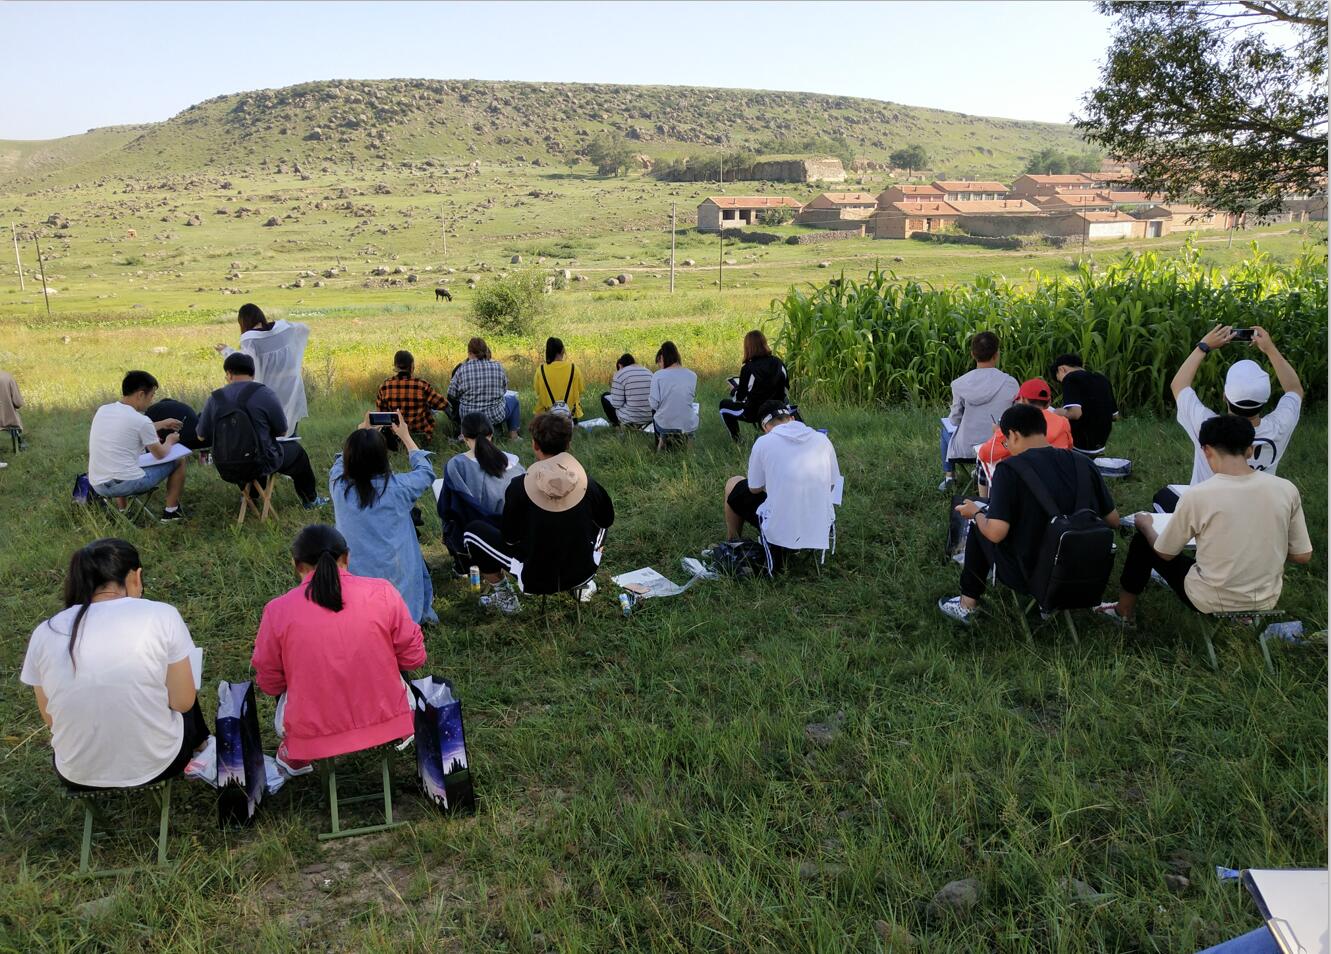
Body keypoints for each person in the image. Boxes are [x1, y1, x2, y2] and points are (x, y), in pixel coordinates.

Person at [20, 538, 209, 789]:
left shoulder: (45, 632)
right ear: (135, 577)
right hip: (159, 763)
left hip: (76, 774)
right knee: (181, 678)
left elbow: (51, 719)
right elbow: (182, 702)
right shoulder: (161, 614)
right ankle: (204, 746)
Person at [1096, 415, 1312, 624]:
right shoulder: (1286, 489)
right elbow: (1302, 555)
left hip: (1210, 599)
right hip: (1265, 600)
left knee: (1143, 543)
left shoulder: (1199, 495)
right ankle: (1244, 616)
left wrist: (1145, 525)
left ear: (1207, 450)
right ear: (1251, 450)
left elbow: (1165, 553)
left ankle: (1123, 612)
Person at [252, 525, 426, 774]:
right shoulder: (382, 592)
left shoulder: (277, 610)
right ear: (347, 556)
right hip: (389, 722)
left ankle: (296, 756)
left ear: (297, 565)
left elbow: (270, 682)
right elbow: (414, 658)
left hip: (310, 735)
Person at [938, 404, 1120, 624]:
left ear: (1013, 435)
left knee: (980, 525)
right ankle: (1050, 603)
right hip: (1086, 571)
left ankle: (967, 605)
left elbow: (996, 533)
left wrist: (976, 513)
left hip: (1032, 574)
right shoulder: (1084, 464)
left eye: (1005, 441)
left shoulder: (1010, 469)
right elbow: (1113, 520)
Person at [463, 412, 614, 614]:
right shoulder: (589, 483)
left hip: (536, 578)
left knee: (472, 532)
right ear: (568, 444)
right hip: (583, 570)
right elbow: (606, 520)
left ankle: (504, 595)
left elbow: (510, 539)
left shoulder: (518, 487)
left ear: (535, 445)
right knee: (600, 520)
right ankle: (583, 583)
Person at [330, 414, 439, 625]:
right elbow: (426, 472)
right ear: (383, 458)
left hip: (356, 587)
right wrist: (406, 437)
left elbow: (338, 463)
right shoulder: (398, 487)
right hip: (399, 592)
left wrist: (360, 432)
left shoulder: (338, 486)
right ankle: (423, 614)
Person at [1171, 324, 1302, 486]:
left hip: (1207, 509)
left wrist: (1203, 346)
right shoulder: (1279, 428)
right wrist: (1270, 349)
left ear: (1225, 396)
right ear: (1265, 399)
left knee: (1163, 496)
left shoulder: (1206, 426)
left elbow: (1179, 385)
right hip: (1257, 510)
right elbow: (1294, 389)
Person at [196, 353, 327, 509]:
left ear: (229, 374)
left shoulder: (214, 399)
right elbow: (282, 431)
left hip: (225, 465)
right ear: (253, 373)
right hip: (260, 462)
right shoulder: (264, 393)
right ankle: (310, 501)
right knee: (297, 454)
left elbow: (201, 436)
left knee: (248, 454)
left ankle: (251, 495)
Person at [723, 402, 841, 574]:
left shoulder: (764, 443)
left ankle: (733, 541)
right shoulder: (821, 439)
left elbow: (754, 489)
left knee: (733, 483)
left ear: (765, 426)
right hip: (819, 524)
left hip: (780, 527)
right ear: (791, 418)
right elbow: (832, 484)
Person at [88, 370, 188, 520]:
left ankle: (124, 511)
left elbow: (127, 428)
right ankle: (171, 511)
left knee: (119, 460)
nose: (152, 401)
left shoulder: (103, 410)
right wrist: (170, 441)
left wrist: (161, 424)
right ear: (141, 394)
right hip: (127, 484)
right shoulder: (141, 420)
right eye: (152, 395)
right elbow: (160, 454)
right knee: (179, 460)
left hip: (98, 483)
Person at [438, 412, 525, 575]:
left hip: (476, 533)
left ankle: (463, 563)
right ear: (491, 434)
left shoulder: (456, 465)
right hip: (515, 534)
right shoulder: (515, 464)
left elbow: (446, 509)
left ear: (464, 437)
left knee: (450, 520)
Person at [214, 303, 310, 436]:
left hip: (268, 391)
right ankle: (291, 453)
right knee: (289, 429)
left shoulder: (250, 339)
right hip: (291, 388)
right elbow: (303, 329)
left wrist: (226, 351)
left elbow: (246, 363)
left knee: (268, 432)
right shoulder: (283, 327)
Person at [940, 331, 1018, 492]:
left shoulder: (959, 384)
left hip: (967, 448)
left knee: (945, 432)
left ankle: (949, 477)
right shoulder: (1010, 383)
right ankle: (979, 473)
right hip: (1001, 446)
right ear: (997, 355)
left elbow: (955, 420)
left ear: (972, 355)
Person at [974, 378, 1074, 492]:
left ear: (1022, 400)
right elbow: (1069, 446)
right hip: (1059, 477)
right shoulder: (1063, 422)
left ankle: (984, 503)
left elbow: (985, 454)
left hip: (1026, 481)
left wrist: (1001, 435)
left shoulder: (1015, 422)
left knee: (981, 456)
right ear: (1049, 401)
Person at [719, 330, 789, 442]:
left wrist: (733, 390)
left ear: (747, 347)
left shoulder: (748, 368)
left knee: (723, 406)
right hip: (780, 409)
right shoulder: (778, 362)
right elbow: (786, 388)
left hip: (754, 413)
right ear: (764, 343)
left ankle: (737, 441)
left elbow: (740, 398)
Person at [447, 337, 521, 440]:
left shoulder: (462, 369)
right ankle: (514, 436)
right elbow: (504, 390)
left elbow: (451, 394)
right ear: (486, 350)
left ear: (469, 352)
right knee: (514, 400)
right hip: (494, 415)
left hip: (469, 417)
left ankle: (463, 435)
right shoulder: (498, 366)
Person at [1049, 353, 1118, 455]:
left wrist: (1056, 412)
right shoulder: (1102, 379)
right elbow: (1115, 416)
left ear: (1061, 369)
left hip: (1081, 445)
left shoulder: (1070, 378)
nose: (1062, 383)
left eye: (1060, 380)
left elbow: (1075, 413)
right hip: (1101, 443)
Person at [375, 350, 449, 444]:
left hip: (397, 438)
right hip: (422, 438)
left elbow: (381, 414)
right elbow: (443, 404)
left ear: (395, 366)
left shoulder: (384, 387)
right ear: (412, 366)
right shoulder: (422, 385)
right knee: (432, 411)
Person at [649, 341, 699, 449]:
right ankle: (687, 445)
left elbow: (653, 404)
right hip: (688, 423)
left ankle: (660, 443)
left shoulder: (657, 376)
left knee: (655, 412)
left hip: (664, 425)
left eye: (659, 363)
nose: (660, 366)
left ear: (662, 358)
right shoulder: (692, 375)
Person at [532, 336, 585, 420]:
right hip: (570, 416)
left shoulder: (540, 370)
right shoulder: (574, 368)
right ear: (562, 350)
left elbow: (538, 392)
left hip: (548, 417)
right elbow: (581, 390)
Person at [601, 353, 653, 428]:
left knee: (604, 396)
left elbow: (617, 404)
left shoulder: (620, 374)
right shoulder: (648, 372)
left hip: (633, 418)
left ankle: (617, 425)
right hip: (651, 416)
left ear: (620, 365)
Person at [0, 368, 24, 459]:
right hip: (7, 418)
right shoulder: (7, 377)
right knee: (15, 417)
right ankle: (18, 446)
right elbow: (18, 403)